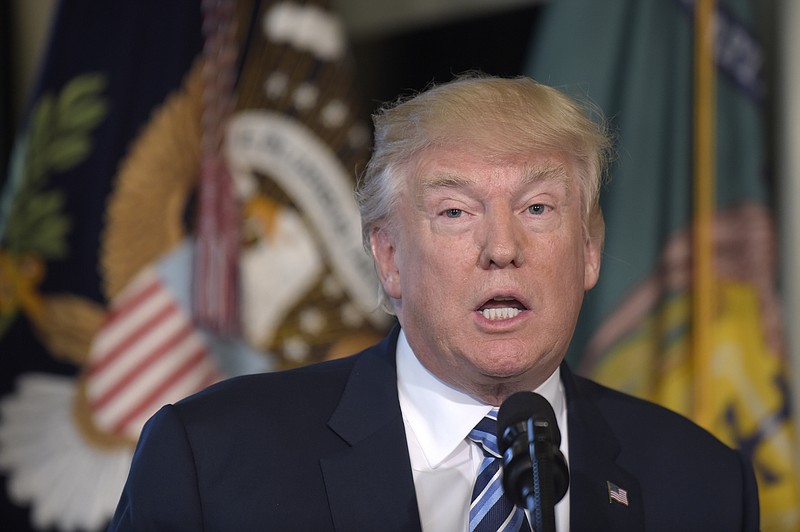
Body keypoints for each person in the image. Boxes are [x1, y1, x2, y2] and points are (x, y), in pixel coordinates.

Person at [108, 74, 759, 531]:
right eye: (455, 212)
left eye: (537, 208)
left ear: (589, 249)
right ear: (389, 257)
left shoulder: (702, 484)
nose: (502, 248)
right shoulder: (213, 461)